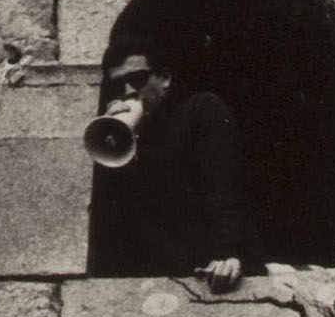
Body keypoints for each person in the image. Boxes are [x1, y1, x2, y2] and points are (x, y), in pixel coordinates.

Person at [86, 31, 263, 292]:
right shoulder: (121, 141)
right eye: (118, 85)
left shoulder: (200, 111)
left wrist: (228, 253)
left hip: (214, 272)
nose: (129, 91)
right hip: (162, 277)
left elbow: (222, 187)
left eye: (138, 79)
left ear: (165, 78)